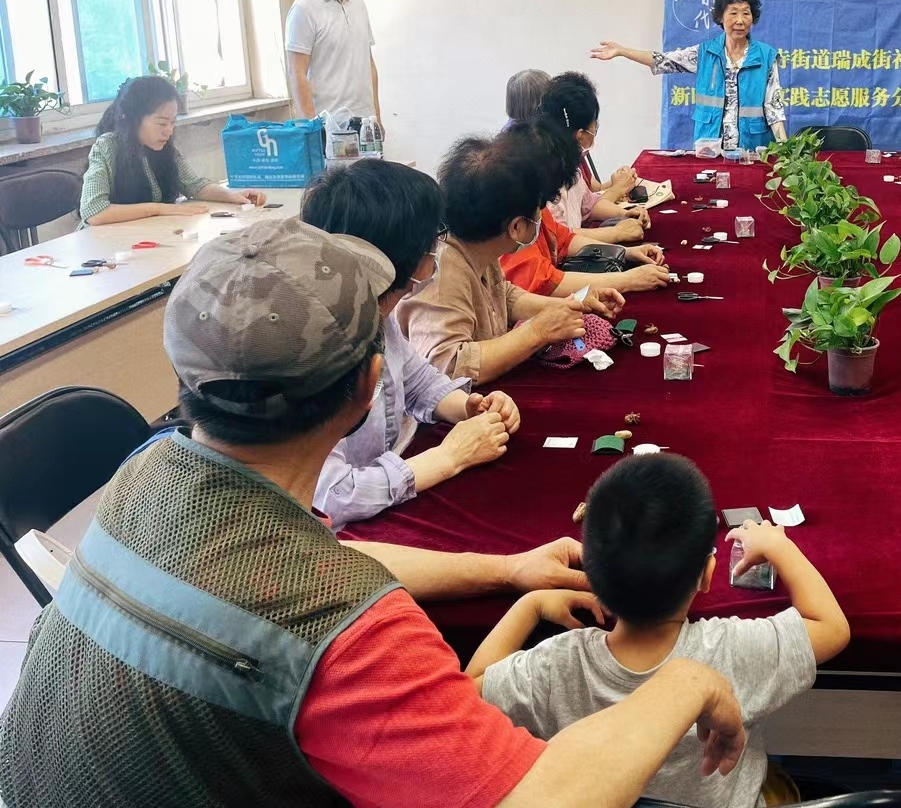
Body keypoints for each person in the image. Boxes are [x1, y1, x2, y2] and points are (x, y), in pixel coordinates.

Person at [0, 216, 748, 808]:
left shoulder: (146, 472)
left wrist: (506, 570)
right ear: (369, 387)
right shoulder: (348, 632)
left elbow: (320, 559)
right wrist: (687, 682)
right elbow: (540, 798)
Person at [470, 454, 850, 808]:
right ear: (706, 575)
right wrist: (779, 547)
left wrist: (530, 605)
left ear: (590, 574)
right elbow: (831, 627)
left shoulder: (553, 666)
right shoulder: (730, 649)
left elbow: (466, 698)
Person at [301, 159, 522, 527]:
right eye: (432, 240)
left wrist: (468, 406)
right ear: (400, 258)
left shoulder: (375, 313)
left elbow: (418, 379)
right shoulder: (315, 350)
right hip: (339, 533)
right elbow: (330, 495)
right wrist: (448, 457)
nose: (438, 249)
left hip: (382, 495)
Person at [397, 130, 627, 385]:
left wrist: (568, 305)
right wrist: (537, 331)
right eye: (538, 214)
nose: (541, 220)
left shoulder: (479, 244)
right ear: (516, 227)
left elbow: (501, 295)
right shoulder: (439, 271)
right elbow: (449, 366)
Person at [590, 0, 787, 152]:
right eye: (733, 13)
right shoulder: (704, 53)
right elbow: (662, 60)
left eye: (746, 13)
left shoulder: (766, 57)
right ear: (720, 17)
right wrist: (623, 51)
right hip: (711, 150)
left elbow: (774, 109)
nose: (740, 21)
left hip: (751, 152)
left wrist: (785, 153)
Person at [497, 119, 670, 298]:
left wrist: (625, 252)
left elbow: (564, 240)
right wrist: (628, 280)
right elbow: (548, 283)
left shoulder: (529, 202)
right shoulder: (513, 228)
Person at [79, 75, 264, 226]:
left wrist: (233, 196)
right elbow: (94, 212)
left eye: (172, 122)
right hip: (105, 246)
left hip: (145, 236)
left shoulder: (164, 148)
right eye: (161, 123)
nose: (169, 131)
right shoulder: (107, 146)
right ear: (132, 119)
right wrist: (159, 209)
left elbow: (195, 185)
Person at [285, 0, 381, 128]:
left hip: (365, 121)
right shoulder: (304, 9)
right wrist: (312, 127)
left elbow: (368, 64)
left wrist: (377, 117)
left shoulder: (359, 5)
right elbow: (297, 73)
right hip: (330, 124)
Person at [539, 72, 651, 236]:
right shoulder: (546, 173)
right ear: (580, 135)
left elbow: (588, 206)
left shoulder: (568, 162)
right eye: (594, 127)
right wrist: (616, 233)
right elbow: (559, 237)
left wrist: (626, 213)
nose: (595, 132)